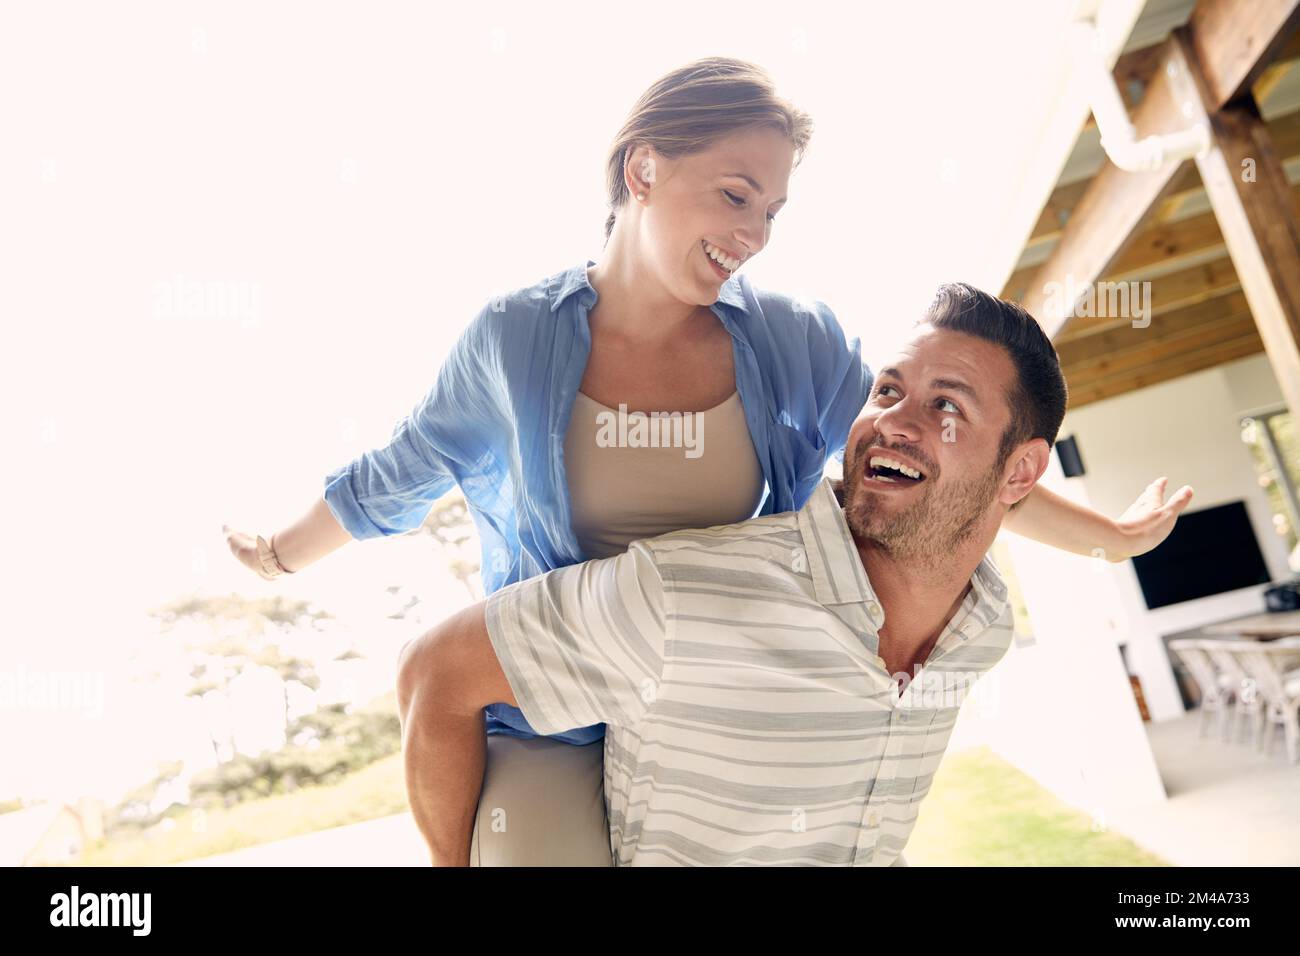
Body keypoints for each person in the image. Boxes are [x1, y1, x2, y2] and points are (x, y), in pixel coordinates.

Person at [224, 59, 1193, 866]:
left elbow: (929, 460)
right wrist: (278, 553)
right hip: (559, 716)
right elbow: (403, 466)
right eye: (735, 194)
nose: (754, 234)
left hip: (715, 709)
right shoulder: (516, 339)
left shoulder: (789, 339)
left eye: (772, 210)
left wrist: (1109, 540)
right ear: (643, 170)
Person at [393, 282, 1194, 866]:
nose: (895, 420)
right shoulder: (686, 596)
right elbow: (437, 671)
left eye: (947, 407)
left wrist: (1118, 539)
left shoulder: (979, 630)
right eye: (888, 390)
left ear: (1022, 474)